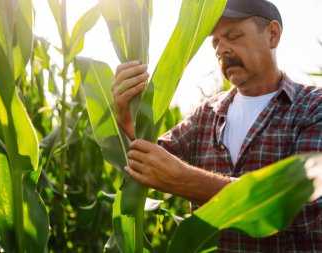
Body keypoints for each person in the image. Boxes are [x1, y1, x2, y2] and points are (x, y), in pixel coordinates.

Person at [111, 0, 322, 252]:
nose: (221, 49)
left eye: (233, 36)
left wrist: (185, 180)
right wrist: (125, 116)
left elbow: (305, 208)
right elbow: (149, 160)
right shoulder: (207, 113)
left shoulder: (313, 107)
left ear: (273, 34)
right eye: (215, 43)